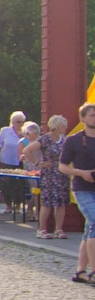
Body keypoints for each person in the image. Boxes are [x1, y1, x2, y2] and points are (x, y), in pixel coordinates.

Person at [58, 103, 95, 283]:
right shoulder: (73, 141)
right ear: (83, 118)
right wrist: (82, 173)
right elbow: (62, 166)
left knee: (90, 227)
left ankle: (80, 271)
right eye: (92, 115)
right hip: (83, 188)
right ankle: (94, 271)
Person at [37, 115, 70, 238]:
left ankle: (59, 229)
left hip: (62, 174)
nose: (65, 128)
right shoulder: (45, 139)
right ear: (56, 126)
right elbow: (27, 150)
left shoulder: (65, 139)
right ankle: (42, 229)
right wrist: (39, 163)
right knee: (47, 203)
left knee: (61, 202)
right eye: (63, 126)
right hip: (49, 175)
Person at [0, 110, 27, 217]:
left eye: (22, 122)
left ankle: (18, 205)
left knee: (19, 185)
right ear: (13, 122)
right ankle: (8, 205)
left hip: (20, 161)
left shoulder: (26, 132)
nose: (20, 124)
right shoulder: (5, 131)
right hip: (6, 160)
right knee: (6, 184)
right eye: (18, 122)